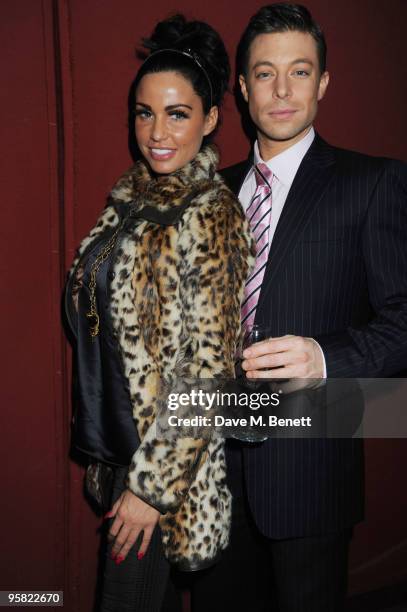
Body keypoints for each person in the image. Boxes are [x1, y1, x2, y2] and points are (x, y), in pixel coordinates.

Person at [191, 3, 407, 612]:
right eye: (264, 73)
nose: (282, 90)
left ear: (324, 82)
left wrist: (323, 357)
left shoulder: (374, 183)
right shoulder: (207, 193)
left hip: (311, 474)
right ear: (241, 87)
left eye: (300, 71)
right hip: (214, 477)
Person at [64, 14, 254, 612]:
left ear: (211, 119)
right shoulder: (129, 203)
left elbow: (209, 367)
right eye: (145, 112)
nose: (157, 131)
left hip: (160, 473)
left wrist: (151, 489)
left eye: (177, 113)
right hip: (118, 452)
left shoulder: (210, 214)